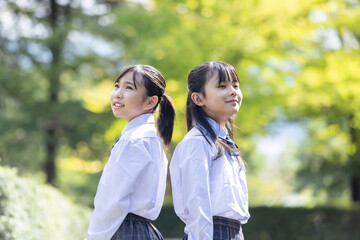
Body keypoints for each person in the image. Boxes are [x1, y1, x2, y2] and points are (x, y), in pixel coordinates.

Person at [87, 65, 175, 240]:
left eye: (129, 88)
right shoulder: (149, 138)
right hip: (143, 231)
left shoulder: (134, 139)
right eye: (117, 85)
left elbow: (112, 201)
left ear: (151, 102)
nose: (118, 93)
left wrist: (94, 237)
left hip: (124, 231)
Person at [169, 61, 250, 240]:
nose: (233, 91)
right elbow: (197, 205)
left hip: (231, 233)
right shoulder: (197, 142)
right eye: (222, 86)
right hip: (211, 234)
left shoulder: (223, 142)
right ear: (198, 99)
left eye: (235, 85)